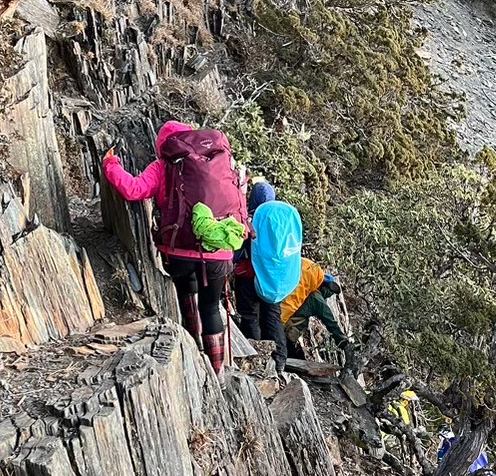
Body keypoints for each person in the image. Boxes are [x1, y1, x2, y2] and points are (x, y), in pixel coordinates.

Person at [102, 122, 247, 376]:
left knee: (187, 297)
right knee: (211, 307)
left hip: (178, 250)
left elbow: (133, 190)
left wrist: (111, 164)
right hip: (218, 251)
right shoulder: (219, 163)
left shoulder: (164, 166)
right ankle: (217, 373)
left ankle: (193, 348)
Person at [231, 179, 290, 377]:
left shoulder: (249, 219)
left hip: (249, 277)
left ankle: (253, 358)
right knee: (273, 316)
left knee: (250, 315)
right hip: (274, 279)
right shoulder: (281, 221)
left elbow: (239, 250)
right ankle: (280, 360)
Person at [280, 258, 353, 367]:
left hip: (281, 319)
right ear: (326, 288)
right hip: (286, 330)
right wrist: (344, 343)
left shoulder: (306, 287)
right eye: (330, 292)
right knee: (291, 362)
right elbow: (331, 322)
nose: (329, 296)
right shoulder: (317, 298)